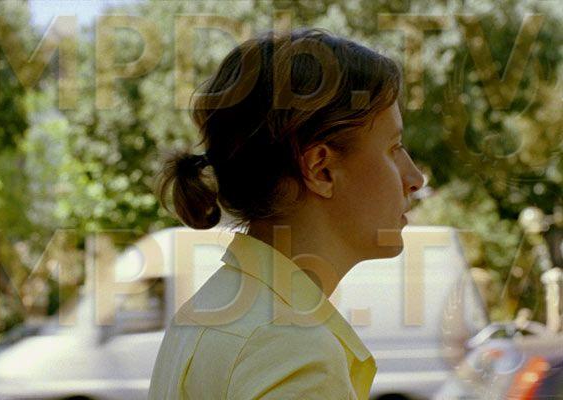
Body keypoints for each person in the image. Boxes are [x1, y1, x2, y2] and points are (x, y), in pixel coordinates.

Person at [148, 27, 425, 400]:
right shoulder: (295, 351)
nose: (415, 179)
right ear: (321, 170)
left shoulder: (205, 312)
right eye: (394, 147)